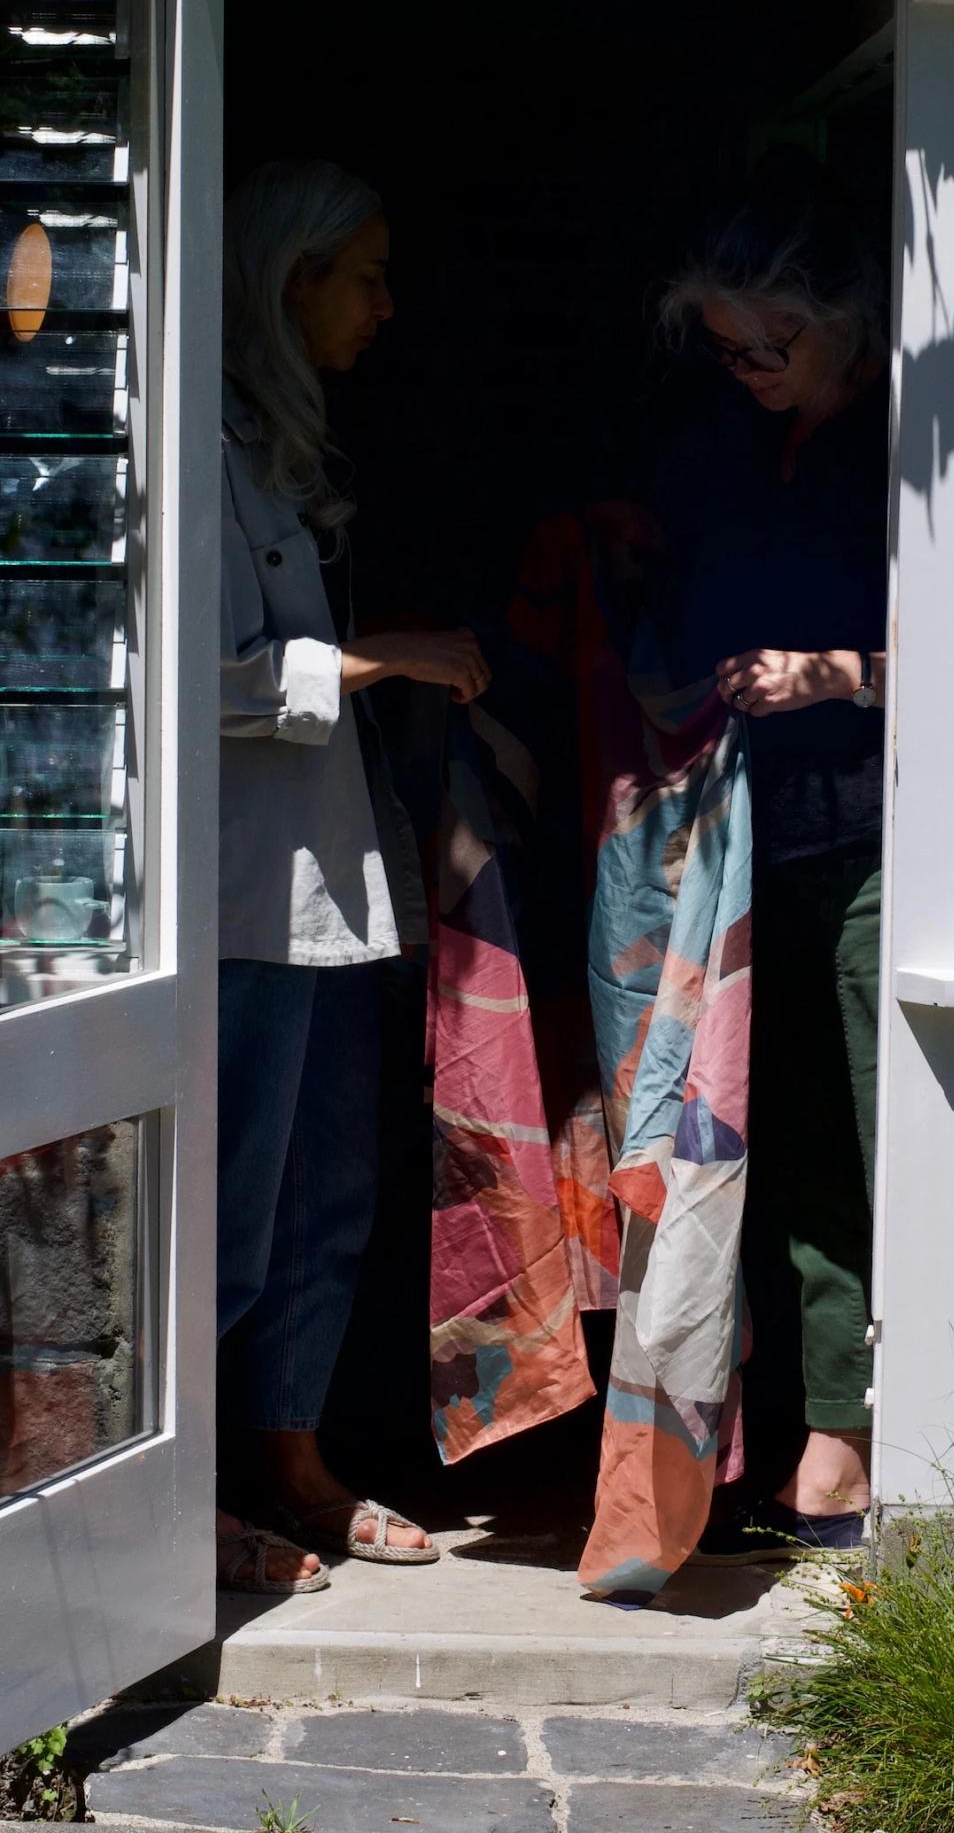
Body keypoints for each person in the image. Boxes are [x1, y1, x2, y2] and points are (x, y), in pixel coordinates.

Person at [214, 160, 490, 1595]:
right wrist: (389, 658)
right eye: (364, 277)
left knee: (327, 1193)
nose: (386, 307)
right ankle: (183, 1503)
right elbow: (206, 677)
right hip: (243, 899)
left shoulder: (279, 447)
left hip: (328, 889)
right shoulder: (196, 449)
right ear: (293, 279)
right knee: (231, 1208)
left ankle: (294, 1464)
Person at [655, 159, 888, 1558]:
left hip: (875, 840)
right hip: (754, 843)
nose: (749, 371)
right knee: (783, 1141)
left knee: (863, 1139)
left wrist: (840, 672)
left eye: (772, 344)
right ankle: (811, 1437)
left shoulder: (910, 444)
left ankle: (849, 1448)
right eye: (729, 350)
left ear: (844, 315)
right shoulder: (738, 449)